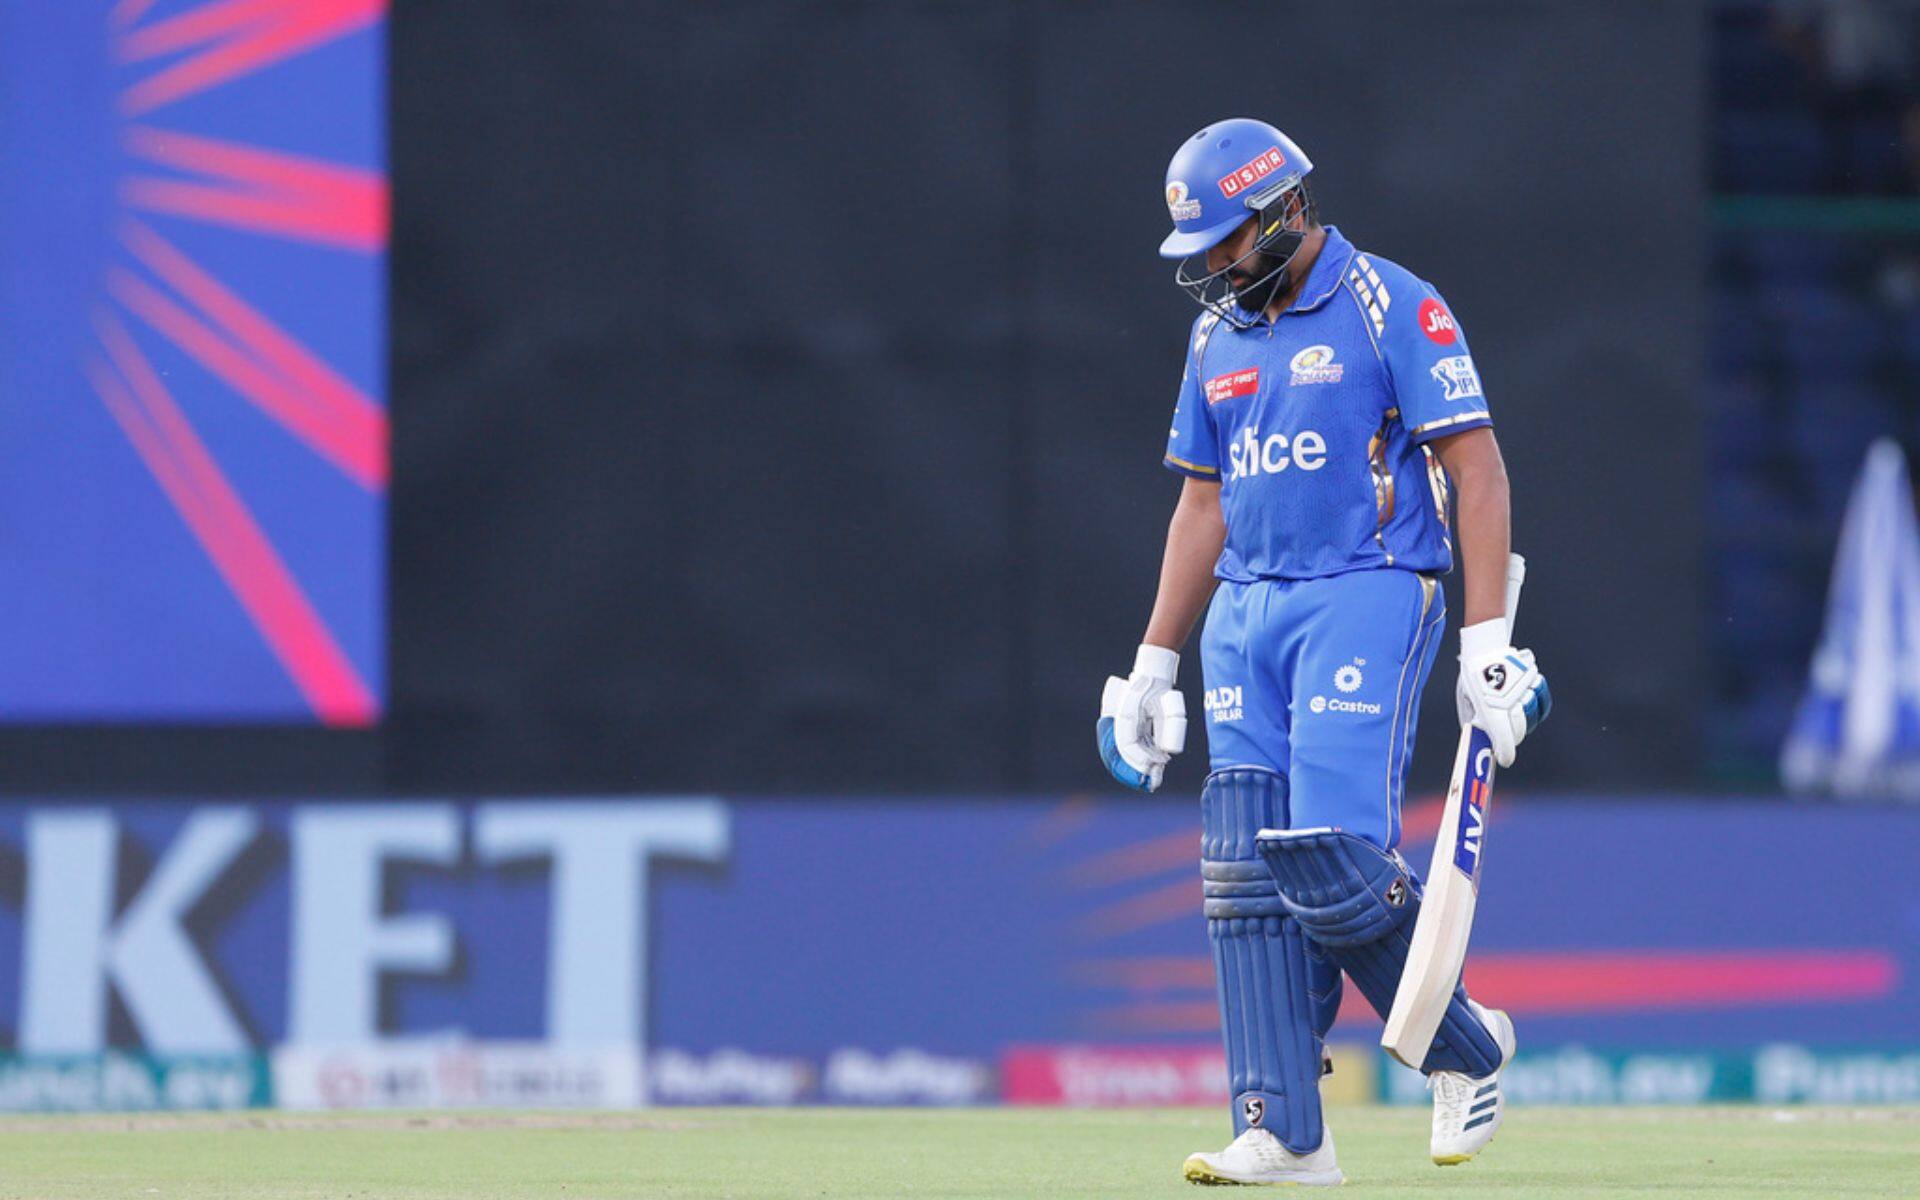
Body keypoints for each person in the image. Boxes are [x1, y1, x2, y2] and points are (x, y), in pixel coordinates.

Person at [1096, 118, 1550, 1186]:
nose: (1211, 268)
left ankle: (1465, 1047)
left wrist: (1485, 640)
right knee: (1242, 873)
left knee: (1330, 859)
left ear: (1286, 210)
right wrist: (1153, 662)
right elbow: (1203, 502)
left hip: (1366, 589)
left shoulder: (1391, 302)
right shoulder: (1217, 339)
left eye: (1224, 242)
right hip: (1244, 613)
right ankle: (1285, 1132)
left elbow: (1475, 469)